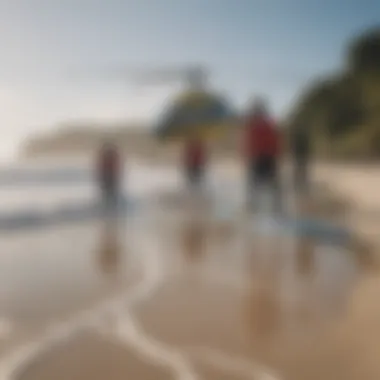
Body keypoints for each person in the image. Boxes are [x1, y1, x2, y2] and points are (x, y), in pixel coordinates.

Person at [242, 97, 282, 213]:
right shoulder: (270, 125)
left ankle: (254, 210)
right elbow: (276, 143)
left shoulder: (253, 125)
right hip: (268, 159)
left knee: (255, 187)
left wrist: (247, 157)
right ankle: (276, 210)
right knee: (272, 187)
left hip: (259, 159)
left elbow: (249, 144)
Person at [96, 141, 122, 215]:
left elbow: (116, 167)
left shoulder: (109, 155)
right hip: (109, 176)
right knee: (109, 192)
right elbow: (101, 167)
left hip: (110, 176)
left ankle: (110, 209)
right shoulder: (111, 155)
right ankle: (110, 208)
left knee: (109, 192)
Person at [291, 124, 311, 193]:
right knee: (302, 169)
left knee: (298, 168)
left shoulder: (296, 138)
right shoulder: (304, 138)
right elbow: (306, 146)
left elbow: (294, 147)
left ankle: (297, 182)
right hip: (302, 155)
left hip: (299, 155)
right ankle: (301, 182)